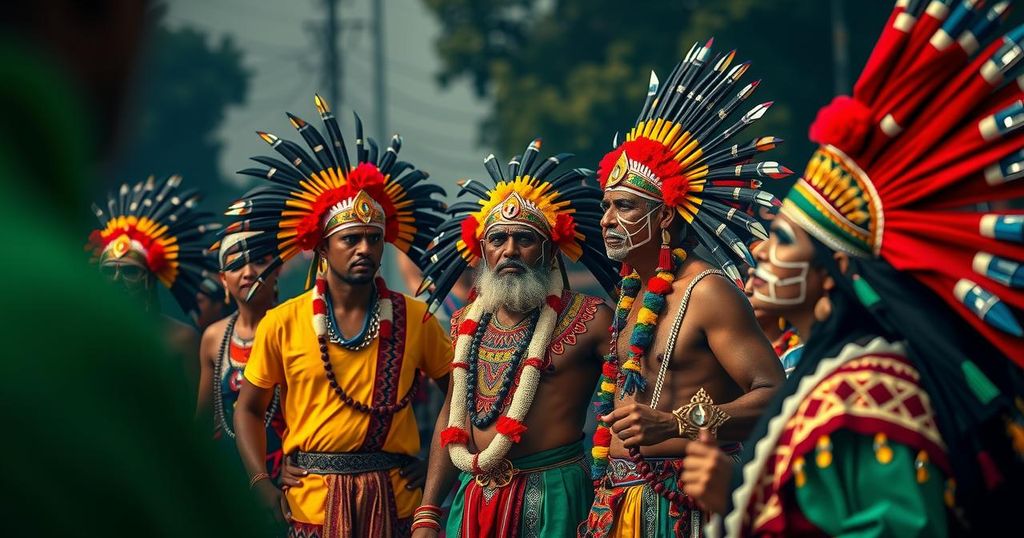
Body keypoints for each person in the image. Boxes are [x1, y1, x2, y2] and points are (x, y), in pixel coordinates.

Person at [678, 3, 1024, 535]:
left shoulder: (876, 393)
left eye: (784, 240)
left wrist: (733, 498)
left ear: (832, 271)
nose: (763, 252)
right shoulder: (829, 376)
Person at [580, 39, 788, 537]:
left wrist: (674, 424)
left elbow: (777, 394)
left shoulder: (708, 291)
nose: (607, 220)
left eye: (625, 207)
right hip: (618, 503)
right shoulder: (630, 295)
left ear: (666, 215)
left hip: (686, 504)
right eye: (607, 205)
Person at [229, 95, 453, 537]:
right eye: (351, 239)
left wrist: (434, 471)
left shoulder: (415, 318)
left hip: (399, 507)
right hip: (310, 510)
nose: (365, 249)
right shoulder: (283, 322)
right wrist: (260, 483)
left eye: (374, 238)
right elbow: (248, 410)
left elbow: (459, 395)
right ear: (322, 246)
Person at [410, 140, 619, 537]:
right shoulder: (462, 325)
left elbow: (635, 387)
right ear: (483, 251)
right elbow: (450, 416)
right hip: (473, 498)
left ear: (548, 249)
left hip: (554, 497)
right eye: (497, 239)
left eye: (524, 239)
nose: (510, 250)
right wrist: (428, 511)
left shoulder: (591, 318)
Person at [88, 174, 222, 383]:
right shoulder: (89, 334)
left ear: (151, 278)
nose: (116, 279)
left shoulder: (179, 339)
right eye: (108, 271)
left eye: (130, 272)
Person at [196, 231, 285, 481]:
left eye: (259, 261)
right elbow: (203, 421)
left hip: (288, 475)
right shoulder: (214, 337)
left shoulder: (294, 328)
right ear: (223, 279)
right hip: (228, 475)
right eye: (236, 265)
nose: (248, 272)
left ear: (277, 269)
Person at [744, 240, 803, 377]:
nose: (748, 288)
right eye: (745, 277)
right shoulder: (735, 357)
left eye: (760, 277)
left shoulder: (804, 348)